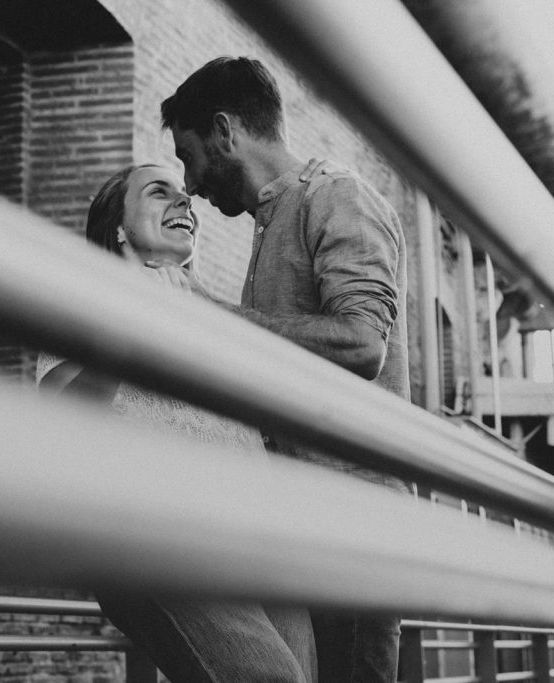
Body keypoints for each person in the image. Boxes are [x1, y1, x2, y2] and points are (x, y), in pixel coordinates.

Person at [160, 56, 410, 682]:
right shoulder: (272, 222)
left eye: (188, 156)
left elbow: (361, 344)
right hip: (301, 523)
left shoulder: (338, 196)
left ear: (225, 132)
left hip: (351, 525)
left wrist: (212, 318)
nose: (188, 184)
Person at [37, 163, 318, 682]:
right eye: (158, 192)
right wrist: (141, 332)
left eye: (184, 196)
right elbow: (57, 416)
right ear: (118, 227)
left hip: (262, 544)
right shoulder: (82, 300)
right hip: (160, 537)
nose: (184, 200)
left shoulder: (222, 319)